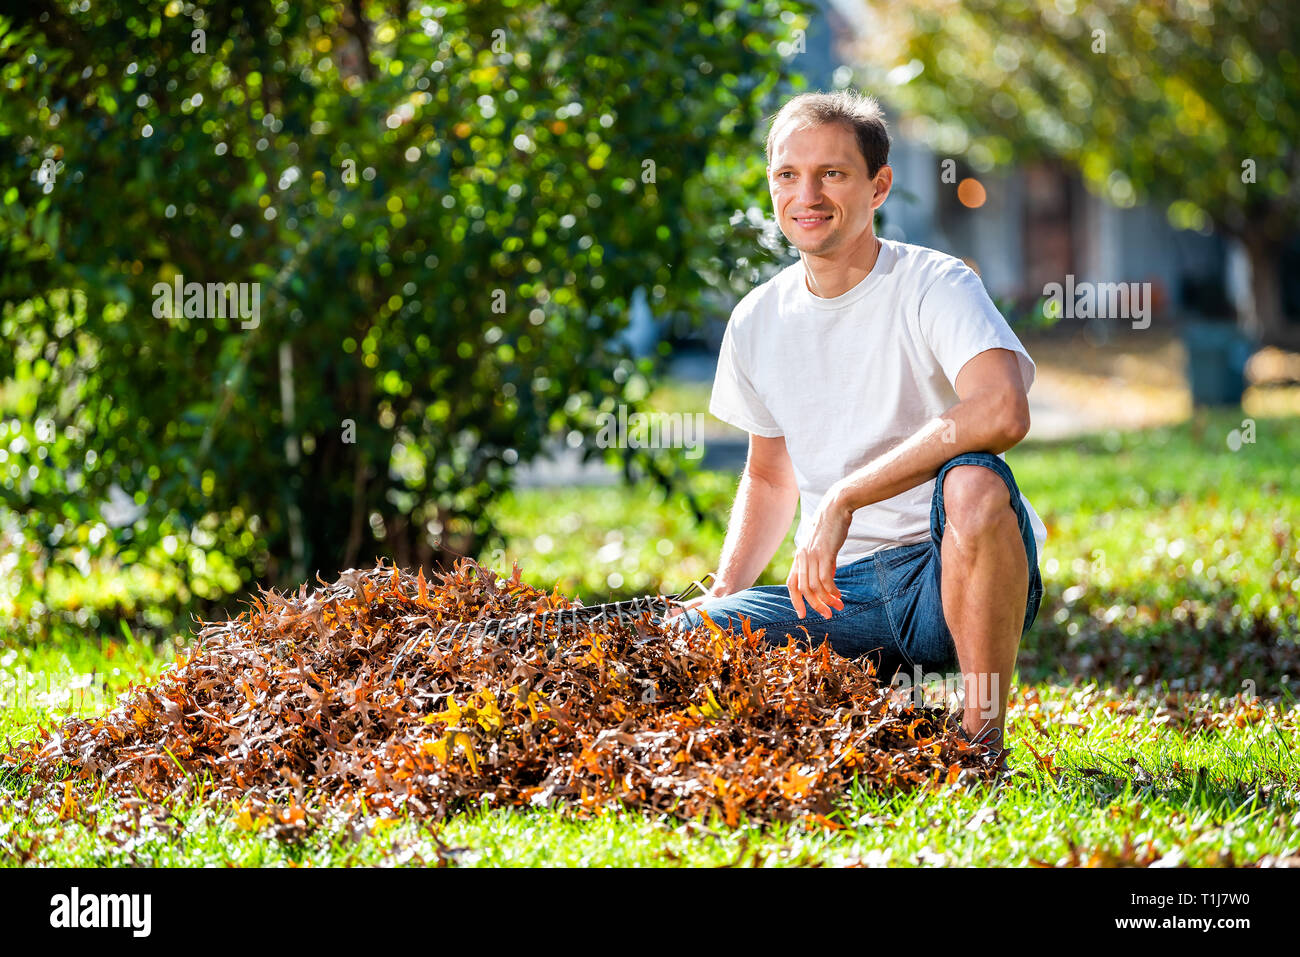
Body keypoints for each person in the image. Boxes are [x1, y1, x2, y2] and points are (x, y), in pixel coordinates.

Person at [669, 91, 1046, 764]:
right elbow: (768, 473)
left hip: (944, 574)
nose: (806, 194)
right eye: (788, 174)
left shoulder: (935, 283)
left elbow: (1002, 409)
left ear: (878, 186)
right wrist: (728, 588)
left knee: (975, 482)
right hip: (834, 595)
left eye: (832, 174)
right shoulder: (757, 319)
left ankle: (982, 743)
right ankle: (878, 703)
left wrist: (846, 495)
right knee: (690, 637)